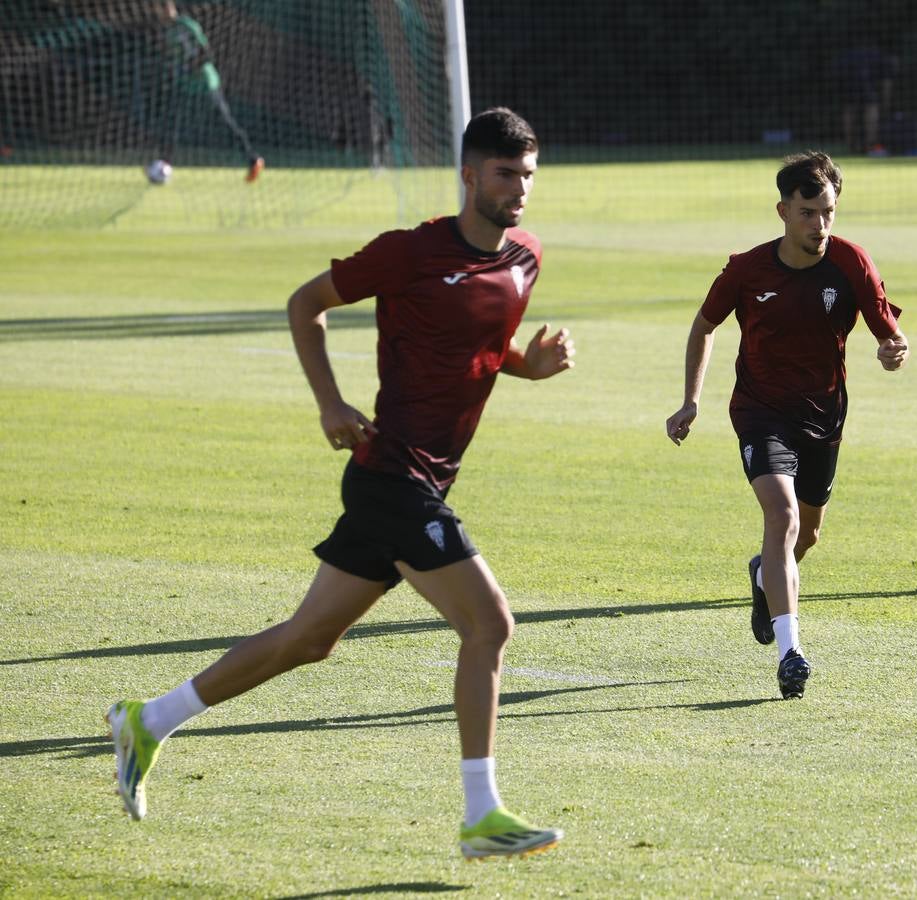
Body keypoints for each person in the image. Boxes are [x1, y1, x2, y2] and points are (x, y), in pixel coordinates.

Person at [107, 107, 574, 860]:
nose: (518, 189)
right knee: (489, 625)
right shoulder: (409, 252)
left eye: (527, 175)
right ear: (468, 174)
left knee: (308, 640)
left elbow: (485, 344)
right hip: (394, 477)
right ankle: (481, 816)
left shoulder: (526, 257)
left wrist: (530, 365)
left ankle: (148, 720)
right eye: (504, 174)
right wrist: (329, 401)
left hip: (418, 483)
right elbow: (305, 305)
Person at [665, 151, 909, 699]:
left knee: (807, 534)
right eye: (807, 213)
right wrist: (690, 400)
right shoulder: (747, 270)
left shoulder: (852, 264)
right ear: (782, 211)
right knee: (783, 514)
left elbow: (886, 332)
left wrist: (895, 350)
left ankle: (762, 576)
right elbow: (704, 327)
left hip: (824, 414)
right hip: (760, 412)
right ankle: (790, 652)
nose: (820, 225)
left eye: (828, 212)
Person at [150, 1, 264, 182]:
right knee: (171, 123)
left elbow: (206, 53)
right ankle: (163, 164)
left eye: (165, 7)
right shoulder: (167, 32)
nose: (163, 12)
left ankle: (254, 159)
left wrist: (190, 67)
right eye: (159, 8)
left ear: (171, 8)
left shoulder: (187, 25)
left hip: (205, 83)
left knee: (225, 122)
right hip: (186, 86)